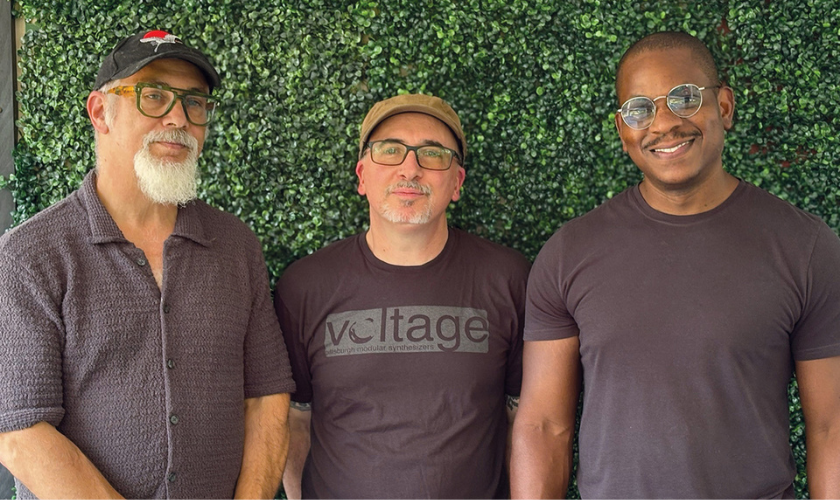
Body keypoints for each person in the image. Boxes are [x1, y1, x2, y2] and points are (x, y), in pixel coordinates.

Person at [511, 31, 840, 498]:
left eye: (684, 98)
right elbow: (544, 426)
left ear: (723, 106)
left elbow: (832, 425)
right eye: (639, 109)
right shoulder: (569, 254)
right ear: (623, 129)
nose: (663, 123)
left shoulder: (806, 248)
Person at [0, 30, 296, 499]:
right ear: (100, 112)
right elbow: (19, 431)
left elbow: (266, 395)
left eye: (194, 102)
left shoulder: (235, 245)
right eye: (153, 95)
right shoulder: (32, 253)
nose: (179, 117)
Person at [274, 93, 531, 498]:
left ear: (457, 183)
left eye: (432, 154)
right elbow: (294, 417)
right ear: (361, 176)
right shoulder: (305, 287)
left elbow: (524, 419)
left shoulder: (508, 279)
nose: (409, 169)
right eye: (390, 151)